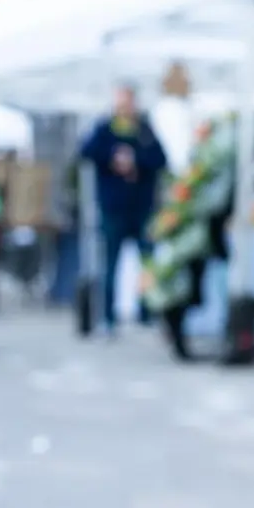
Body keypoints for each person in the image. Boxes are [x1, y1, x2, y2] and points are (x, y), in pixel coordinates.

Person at [79, 83, 168, 332]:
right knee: (110, 264)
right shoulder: (104, 129)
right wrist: (113, 156)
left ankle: (146, 311)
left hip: (142, 208)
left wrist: (135, 160)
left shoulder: (144, 131)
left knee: (148, 262)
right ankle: (108, 317)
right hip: (113, 208)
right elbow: (86, 152)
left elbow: (161, 159)